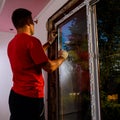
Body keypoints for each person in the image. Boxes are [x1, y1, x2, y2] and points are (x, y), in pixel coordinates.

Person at [7, 8, 68, 120]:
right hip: (31, 99)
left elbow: (32, 55)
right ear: (28, 22)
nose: (34, 24)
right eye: (33, 21)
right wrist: (63, 57)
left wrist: (49, 43)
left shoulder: (11, 44)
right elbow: (49, 67)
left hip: (15, 96)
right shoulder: (32, 41)